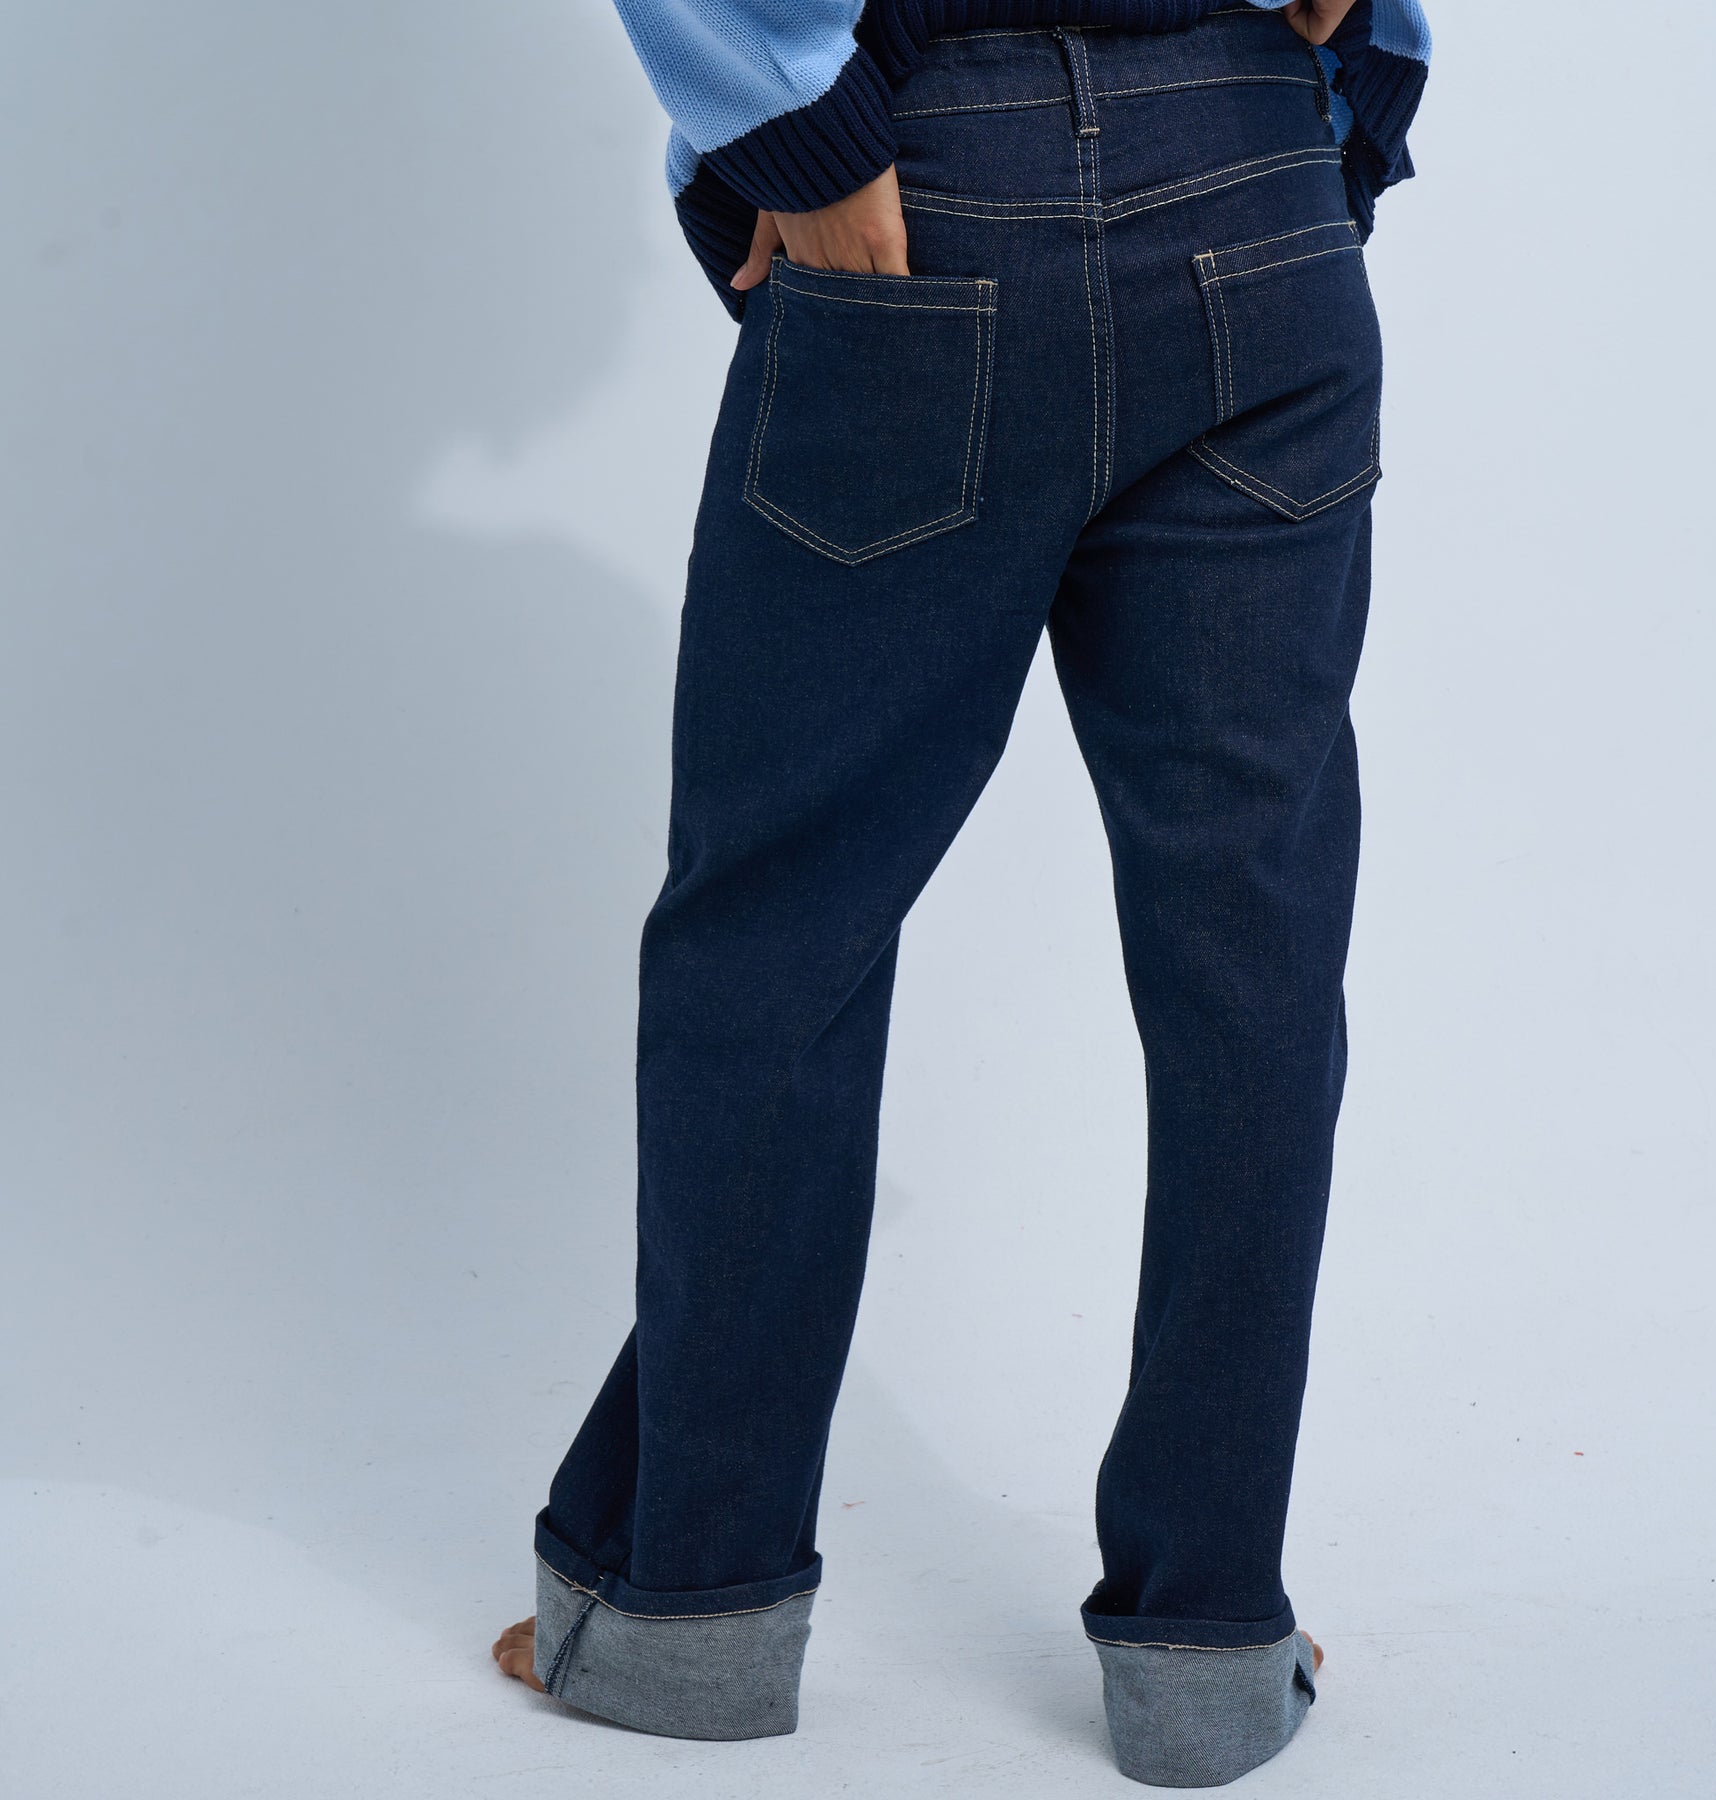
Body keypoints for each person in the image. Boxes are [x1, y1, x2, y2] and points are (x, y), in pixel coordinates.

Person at [492, 0, 1430, 1784]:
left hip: (942, 171)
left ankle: (689, 1612)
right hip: (1254, 170)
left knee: (780, 947)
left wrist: (795, 127)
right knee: (1253, 956)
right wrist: (1335, 108)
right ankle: (1210, 1651)